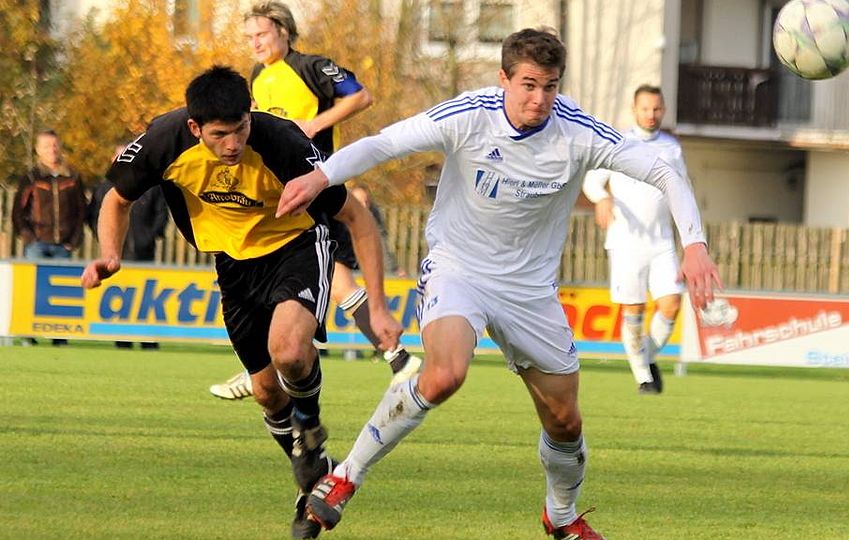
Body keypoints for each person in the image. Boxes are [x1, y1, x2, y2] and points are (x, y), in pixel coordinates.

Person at [274, 28, 722, 539]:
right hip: (458, 269)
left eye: (550, 86)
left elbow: (665, 172)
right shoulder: (470, 115)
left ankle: (561, 516)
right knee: (445, 374)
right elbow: (385, 143)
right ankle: (345, 476)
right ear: (503, 78)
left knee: (566, 422)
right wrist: (321, 176)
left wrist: (694, 245)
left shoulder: (578, 131)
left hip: (530, 291)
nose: (540, 99)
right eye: (528, 84)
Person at [80, 66, 402, 539]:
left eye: (240, 129)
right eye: (220, 135)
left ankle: (310, 429)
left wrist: (377, 306)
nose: (233, 144)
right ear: (195, 127)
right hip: (232, 266)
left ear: (250, 114)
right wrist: (111, 254)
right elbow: (116, 200)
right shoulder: (164, 141)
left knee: (289, 351)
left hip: (295, 247)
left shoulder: (283, 143)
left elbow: (357, 218)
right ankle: (311, 475)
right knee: (267, 392)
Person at [209, 1, 420, 400]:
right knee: (337, 282)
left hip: (314, 186)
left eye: (261, 34)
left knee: (288, 276)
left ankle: (261, 369)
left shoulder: (310, 67)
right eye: (249, 37)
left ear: (284, 31)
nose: (255, 43)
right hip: (277, 192)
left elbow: (361, 96)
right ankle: (398, 358)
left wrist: (314, 124)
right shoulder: (258, 75)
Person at [582, 84, 690, 395]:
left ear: (663, 110)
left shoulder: (671, 148)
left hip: (662, 242)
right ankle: (644, 378)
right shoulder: (619, 143)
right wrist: (602, 198)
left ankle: (645, 358)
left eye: (656, 109)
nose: (651, 114)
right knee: (634, 312)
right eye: (645, 109)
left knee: (671, 305)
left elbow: (683, 192)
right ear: (634, 110)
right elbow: (592, 182)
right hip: (626, 243)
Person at [88, 143, 169, 349]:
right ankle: (122, 338)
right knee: (120, 297)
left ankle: (148, 339)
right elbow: (94, 216)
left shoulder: (151, 186)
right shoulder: (104, 188)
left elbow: (161, 214)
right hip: (119, 253)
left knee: (147, 297)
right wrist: (107, 240)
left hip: (144, 251)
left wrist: (149, 236)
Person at [13, 128, 88, 346]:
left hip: (63, 246)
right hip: (37, 244)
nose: (52, 150)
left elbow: (81, 211)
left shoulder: (73, 177)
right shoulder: (31, 177)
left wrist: (73, 241)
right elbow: (18, 212)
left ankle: (59, 336)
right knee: (33, 289)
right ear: (38, 150)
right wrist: (28, 237)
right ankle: (28, 334)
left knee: (62, 291)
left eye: (55, 145)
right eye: (46, 146)